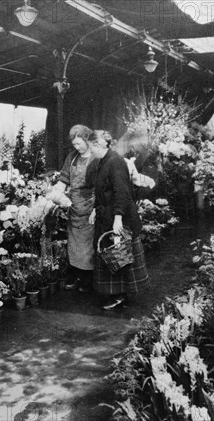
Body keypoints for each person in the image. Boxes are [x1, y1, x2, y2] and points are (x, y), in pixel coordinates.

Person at [86, 130, 149, 310]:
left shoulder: (115, 161)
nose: (91, 152)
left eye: (91, 148)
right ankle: (116, 293)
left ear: (98, 145)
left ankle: (120, 295)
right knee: (113, 255)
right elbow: (103, 190)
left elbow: (122, 192)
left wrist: (118, 218)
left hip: (118, 216)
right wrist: (95, 210)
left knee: (120, 254)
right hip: (106, 214)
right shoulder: (104, 161)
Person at [52, 124, 97, 292]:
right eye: (74, 144)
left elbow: (101, 184)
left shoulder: (95, 158)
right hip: (74, 206)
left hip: (90, 206)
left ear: (87, 140)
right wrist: (57, 193)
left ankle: (88, 279)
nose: (76, 147)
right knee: (74, 244)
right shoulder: (72, 157)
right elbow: (64, 178)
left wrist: (96, 207)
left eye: (79, 143)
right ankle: (76, 275)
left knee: (88, 246)